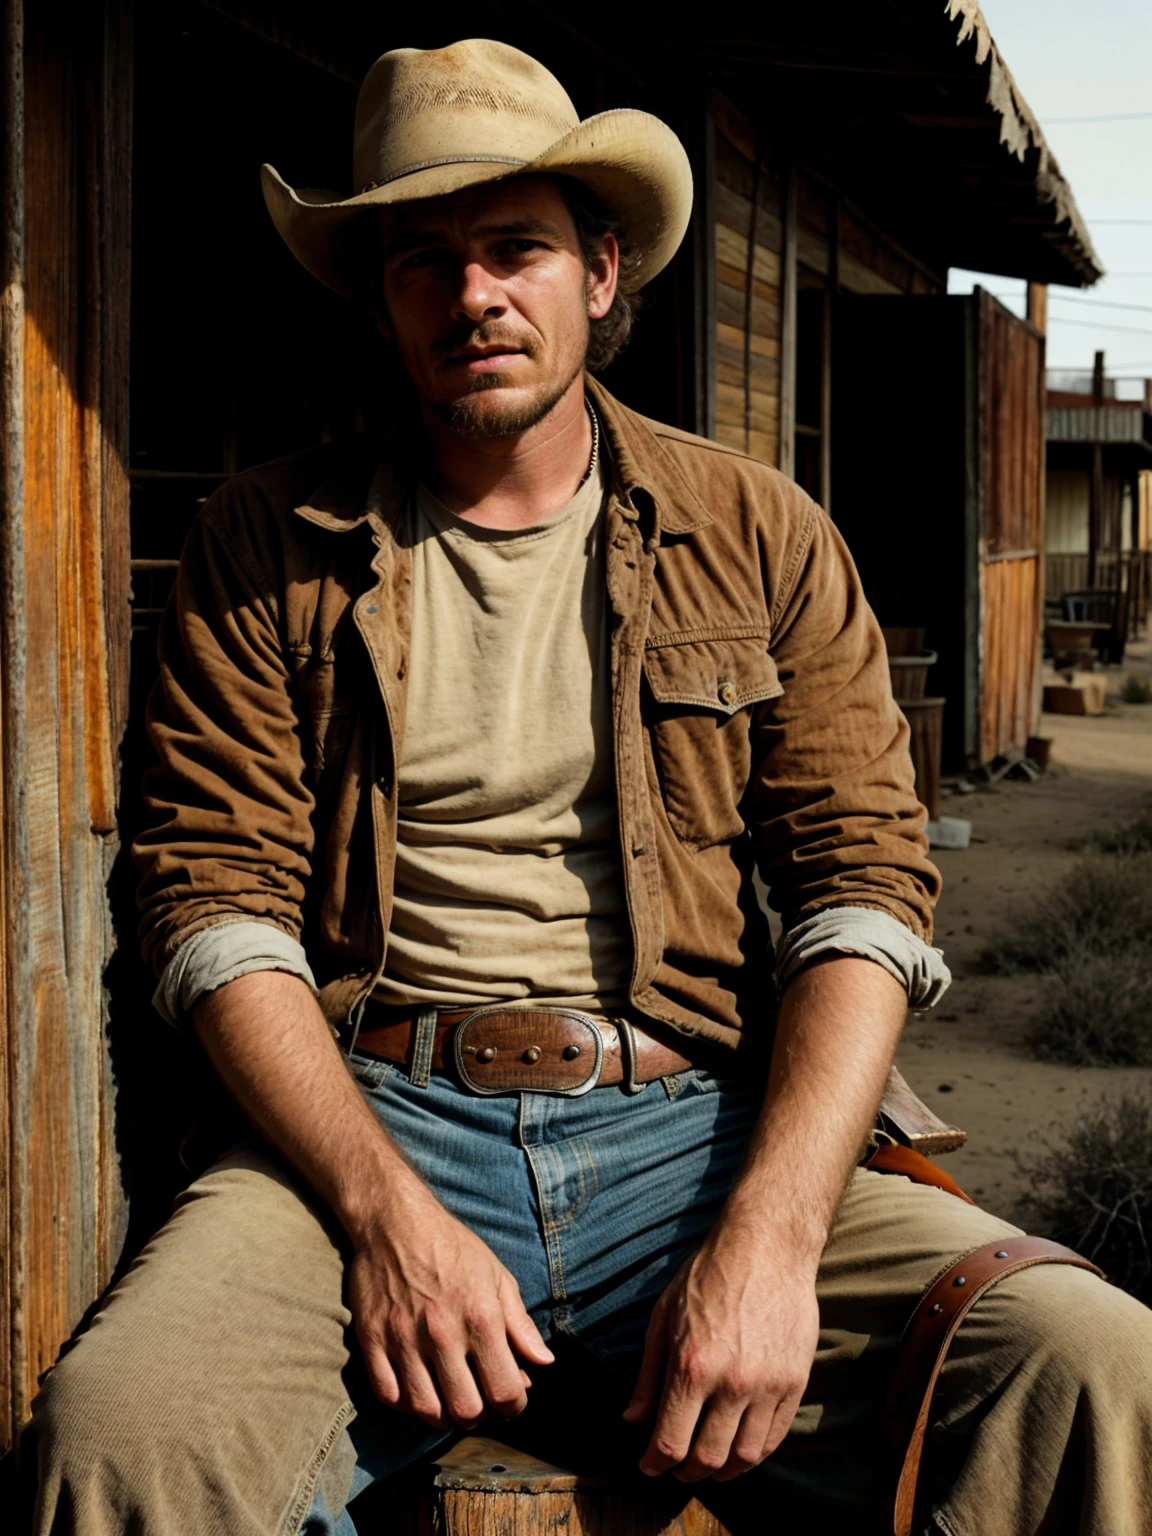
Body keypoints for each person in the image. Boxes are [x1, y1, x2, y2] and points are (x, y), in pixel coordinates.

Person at [30, 37, 1152, 1536]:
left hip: (694, 1119)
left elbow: (863, 893)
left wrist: (767, 1235)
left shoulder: (757, 531)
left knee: (1089, 1365)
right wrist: (384, 1219)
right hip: (370, 1122)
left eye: (518, 249)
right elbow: (212, 908)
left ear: (602, 274)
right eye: (423, 259)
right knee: (128, 1437)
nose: (474, 293)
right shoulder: (265, 538)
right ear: (380, 299)